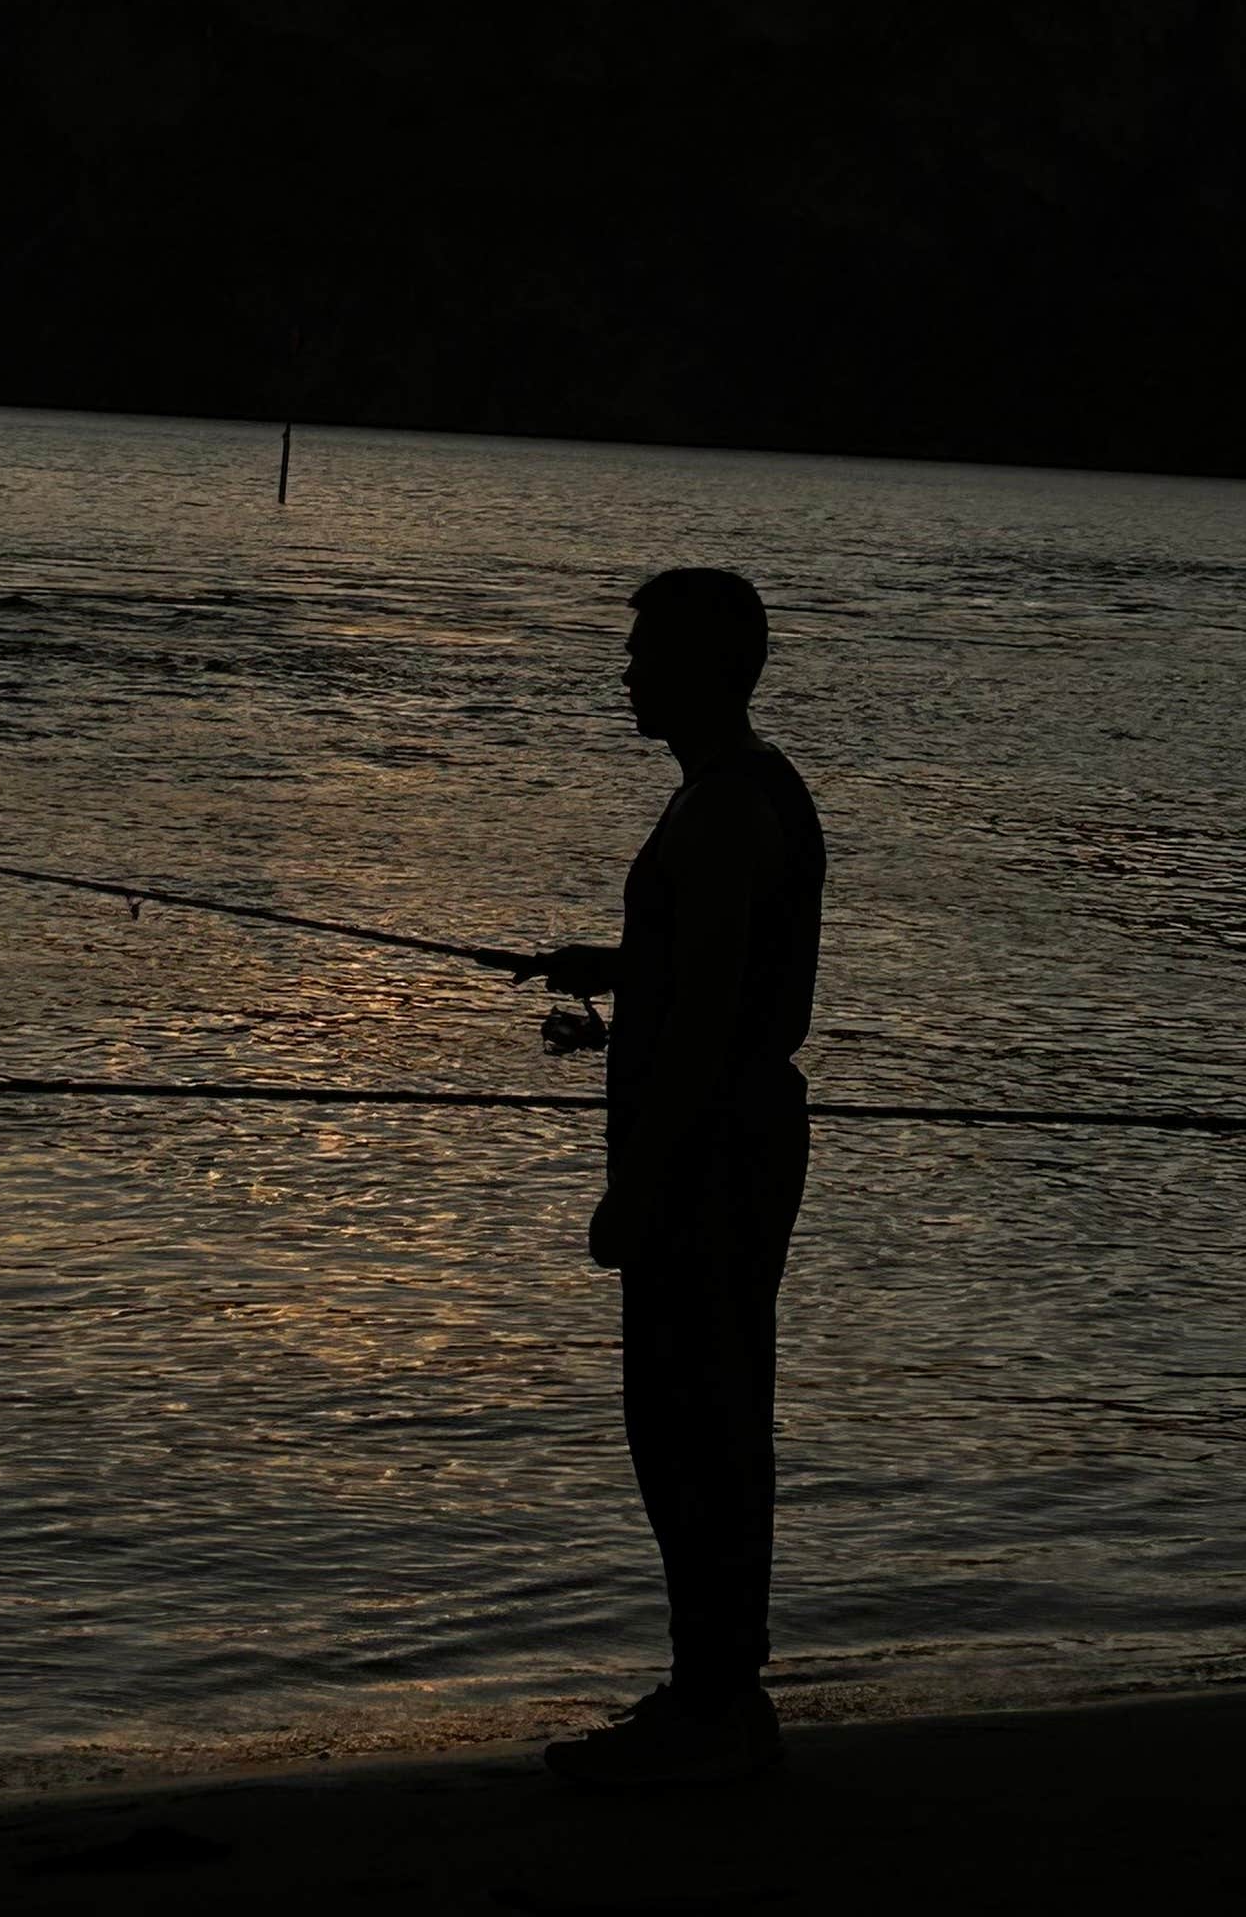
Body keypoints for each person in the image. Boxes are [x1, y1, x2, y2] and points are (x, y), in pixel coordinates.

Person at [527, 567, 825, 1789]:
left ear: (708, 668)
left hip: (706, 1156)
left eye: (645, 652)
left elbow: (706, 1024)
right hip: (744, 1137)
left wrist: (632, 1187)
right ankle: (719, 1692)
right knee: (720, 1416)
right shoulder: (760, 792)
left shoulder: (715, 813)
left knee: (684, 1424)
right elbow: (718, 976)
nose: (627, 670)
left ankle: (711, 1705)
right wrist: (613, 973)